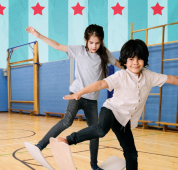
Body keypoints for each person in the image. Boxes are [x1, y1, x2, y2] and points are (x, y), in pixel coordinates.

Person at [57, 39, 178, 170]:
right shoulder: (121, 75)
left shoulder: (149, 76)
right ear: (125, 61)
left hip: (124, 120)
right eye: (131, 59)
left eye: (139, 59)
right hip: (111, 110)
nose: (135, 63)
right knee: (101, 129)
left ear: (145, 60)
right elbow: (101, 84)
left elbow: (171, 78)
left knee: (131, 153)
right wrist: (79, 93)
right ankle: (68, 140)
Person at [25, 24, 123, 170]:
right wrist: (38, 36)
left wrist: (135, 70)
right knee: (66, 121)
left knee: (95, 130)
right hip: (76, 95)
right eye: (91, 43)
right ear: (86, 40)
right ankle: (40, 145)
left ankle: (94, 165)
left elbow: (118, 64)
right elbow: (58, 46)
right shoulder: (79, 50)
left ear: (101, 41)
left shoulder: (104, 54)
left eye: (97, 43)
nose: (94, 46)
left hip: (92, 100)